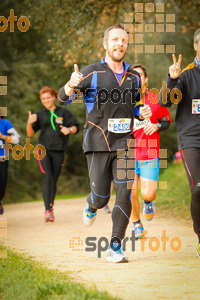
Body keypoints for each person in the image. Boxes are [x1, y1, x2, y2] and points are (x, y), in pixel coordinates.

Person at [58, 24, 152, 263]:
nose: (120, 44)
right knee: (101, 197)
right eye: (115, 40)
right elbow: (63, 98)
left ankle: (115, 246)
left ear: (127, 45)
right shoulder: (91, 73)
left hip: (126, 144)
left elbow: (133, 106)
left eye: (123, 40)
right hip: (98, 143)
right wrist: (70, 85)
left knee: (124, 192)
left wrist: (141, 112)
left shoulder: (133, 78)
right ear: (106, 44)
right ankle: (91, 204)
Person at [160, 28, 200, 257]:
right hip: (191, 139)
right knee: (197, 189)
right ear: (195, 46)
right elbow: (166, 101)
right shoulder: (185, 75)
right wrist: (171, 78)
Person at [26, 86, 79, 222]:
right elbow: (30, 133)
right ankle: (47, 210)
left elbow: (76, 127)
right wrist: (29, 122)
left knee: (54, 179)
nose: (46, 100)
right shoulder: (39, 115)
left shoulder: (64, 113)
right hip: (43, 150)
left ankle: (50, 205)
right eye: (43, 99)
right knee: (48, 177)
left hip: (59, 150)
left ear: (54, 97)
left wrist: (69, 129)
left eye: (48, 97)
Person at [130, 64, 171, 238]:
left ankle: (148, 202)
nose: (137, 79)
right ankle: (137, 225)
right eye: (133, 76)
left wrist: (156, 126)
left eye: (140, 75)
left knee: (148, 193)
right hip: (128, 154)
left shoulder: (155, 99)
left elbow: (167, 122)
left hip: (149, 153)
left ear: (146, 79)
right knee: (129, 193)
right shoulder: (123, 101)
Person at [0, 111, 20, 214]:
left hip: (3, 158)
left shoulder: (5, 123)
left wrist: (3, 137)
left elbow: (17, 139)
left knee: (2, 186)